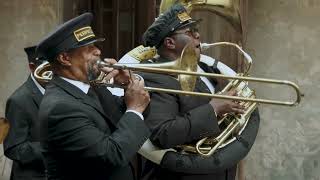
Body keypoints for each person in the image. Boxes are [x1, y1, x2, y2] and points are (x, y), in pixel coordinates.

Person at [137, 4, 261, 180]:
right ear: (169, 42)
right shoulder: (154, 78)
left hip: (219, 170)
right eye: (190, 32)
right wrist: (214, 109)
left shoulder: (204, 68)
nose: (198, 35)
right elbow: (164, 134)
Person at [36, 12, 151, 180]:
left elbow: (129, 118)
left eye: (95, 46)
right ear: (65, 58)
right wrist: (135, 108)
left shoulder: (91, 87)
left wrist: (128, 85)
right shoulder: (60, 108)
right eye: (89, 48)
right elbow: (113, 155)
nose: (98, 51)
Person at [4, 46, 47, 180]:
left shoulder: (58, 91)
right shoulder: (18, 100)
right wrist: (54, 149)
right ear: (32, 67)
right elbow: (13, 148)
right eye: (47, 68)